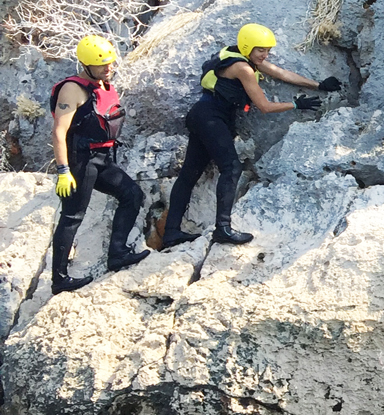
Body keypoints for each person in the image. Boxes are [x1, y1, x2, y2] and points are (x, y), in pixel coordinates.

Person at [161, 23, 340, 248]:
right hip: (210, 118)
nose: (264, 55)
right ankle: (223, 229)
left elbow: (281, 73)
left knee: (189, 174)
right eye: (260, 50)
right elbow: (264, 106)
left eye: (267, 50)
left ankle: (171, 234)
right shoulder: (243, 68)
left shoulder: (241, 56)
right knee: (231, 167)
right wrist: (295, 104)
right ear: (248, 47)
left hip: (203, 116)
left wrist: (319, 85)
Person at [48, 35, 149, 294]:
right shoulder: (72, 89)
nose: (108, 68)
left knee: (132, 194)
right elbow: (59, 131)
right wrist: (63, 170)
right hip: (80, 160)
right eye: (102, 65)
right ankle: (59, 280)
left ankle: (118, 253)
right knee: (72, 217)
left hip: (102, 158)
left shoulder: (103, 85)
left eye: (110, 64)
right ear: (85, 64)